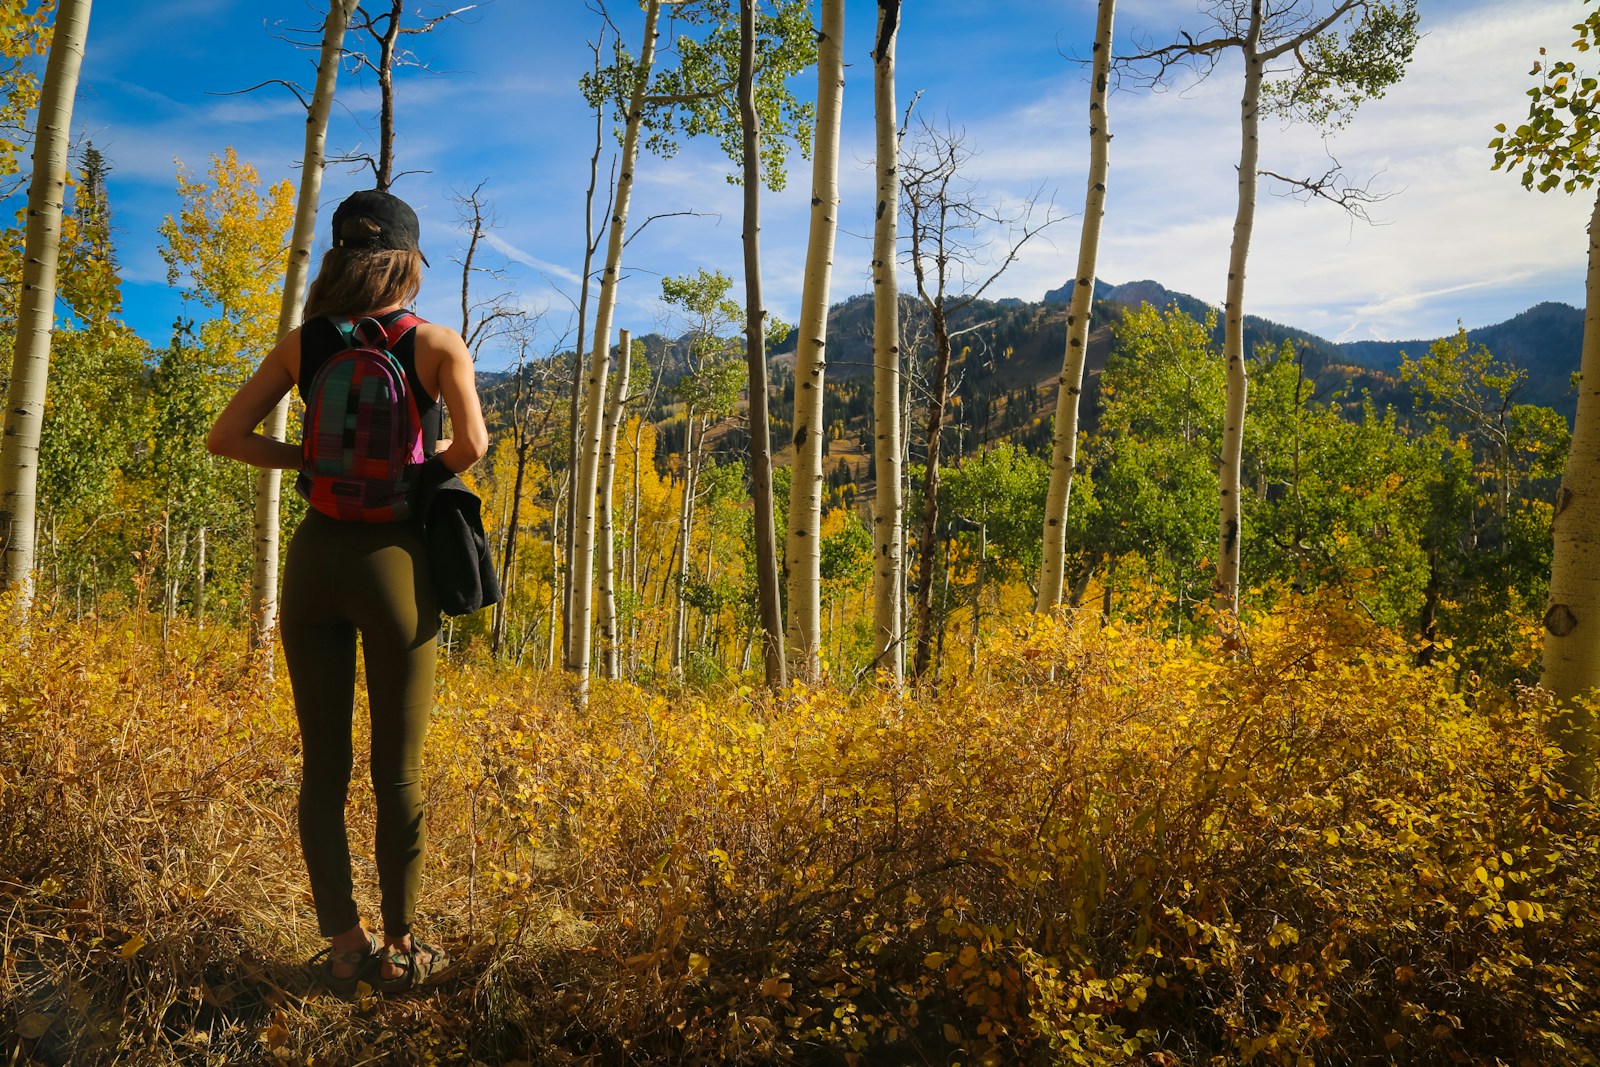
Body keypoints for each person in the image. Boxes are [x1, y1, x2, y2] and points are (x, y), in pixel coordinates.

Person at [207, 189, 488, 993]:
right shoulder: (434, 343)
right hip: (394, 562)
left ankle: (343, 942)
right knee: (395, 769)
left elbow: (225, 436)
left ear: (338, 256)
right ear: (407, 258)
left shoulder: (305, 346)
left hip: (314, 562)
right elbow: (471, 443)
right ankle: (401, 949)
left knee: (321, 766)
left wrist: (311, 463)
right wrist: (408, 477)